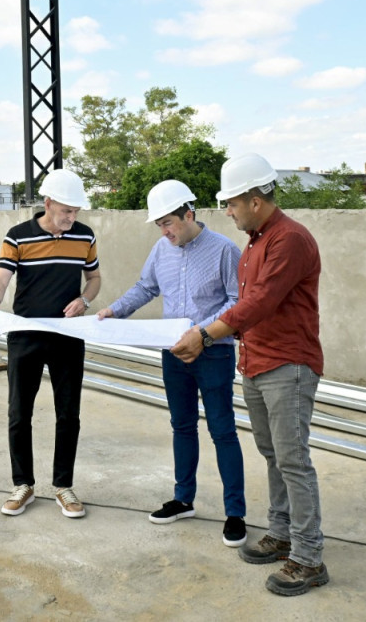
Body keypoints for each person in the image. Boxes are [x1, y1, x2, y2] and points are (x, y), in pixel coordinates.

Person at [171, 153, 327, 597]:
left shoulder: (289, 240)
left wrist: (205, 334)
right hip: (257, 362)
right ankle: (282, 533)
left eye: (233, 203)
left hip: (288, 364)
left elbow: (258, 303)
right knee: (273, 453)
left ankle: (309, 556)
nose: (228, 211)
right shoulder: (257, 242)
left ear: (256, 200)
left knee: (293, 458)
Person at [96, 179, 246, 547]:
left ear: (188, 214)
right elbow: (146, 287)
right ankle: (183, 499)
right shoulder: (161, 250)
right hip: (173, 354)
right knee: (181, 426)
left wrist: (203, 333)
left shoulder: (224, 251)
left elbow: (237, 301)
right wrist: (114, 310)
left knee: (222, 429)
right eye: (159, 225)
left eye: (168, 223)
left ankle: (235, 514)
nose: (164, 231)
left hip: (214, 352)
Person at [0, 168, 100, 519]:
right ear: (48, 204)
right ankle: (23, 485)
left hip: (67, 337)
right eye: (66, 211)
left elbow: (94, 278)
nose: (72, 217)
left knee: (69, 413)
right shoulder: (18, 236)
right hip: (25, 336)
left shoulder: (84, 236)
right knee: (19, 412)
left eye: (76, 211)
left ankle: (63, 486)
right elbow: (2, 276)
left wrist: (85, 300)